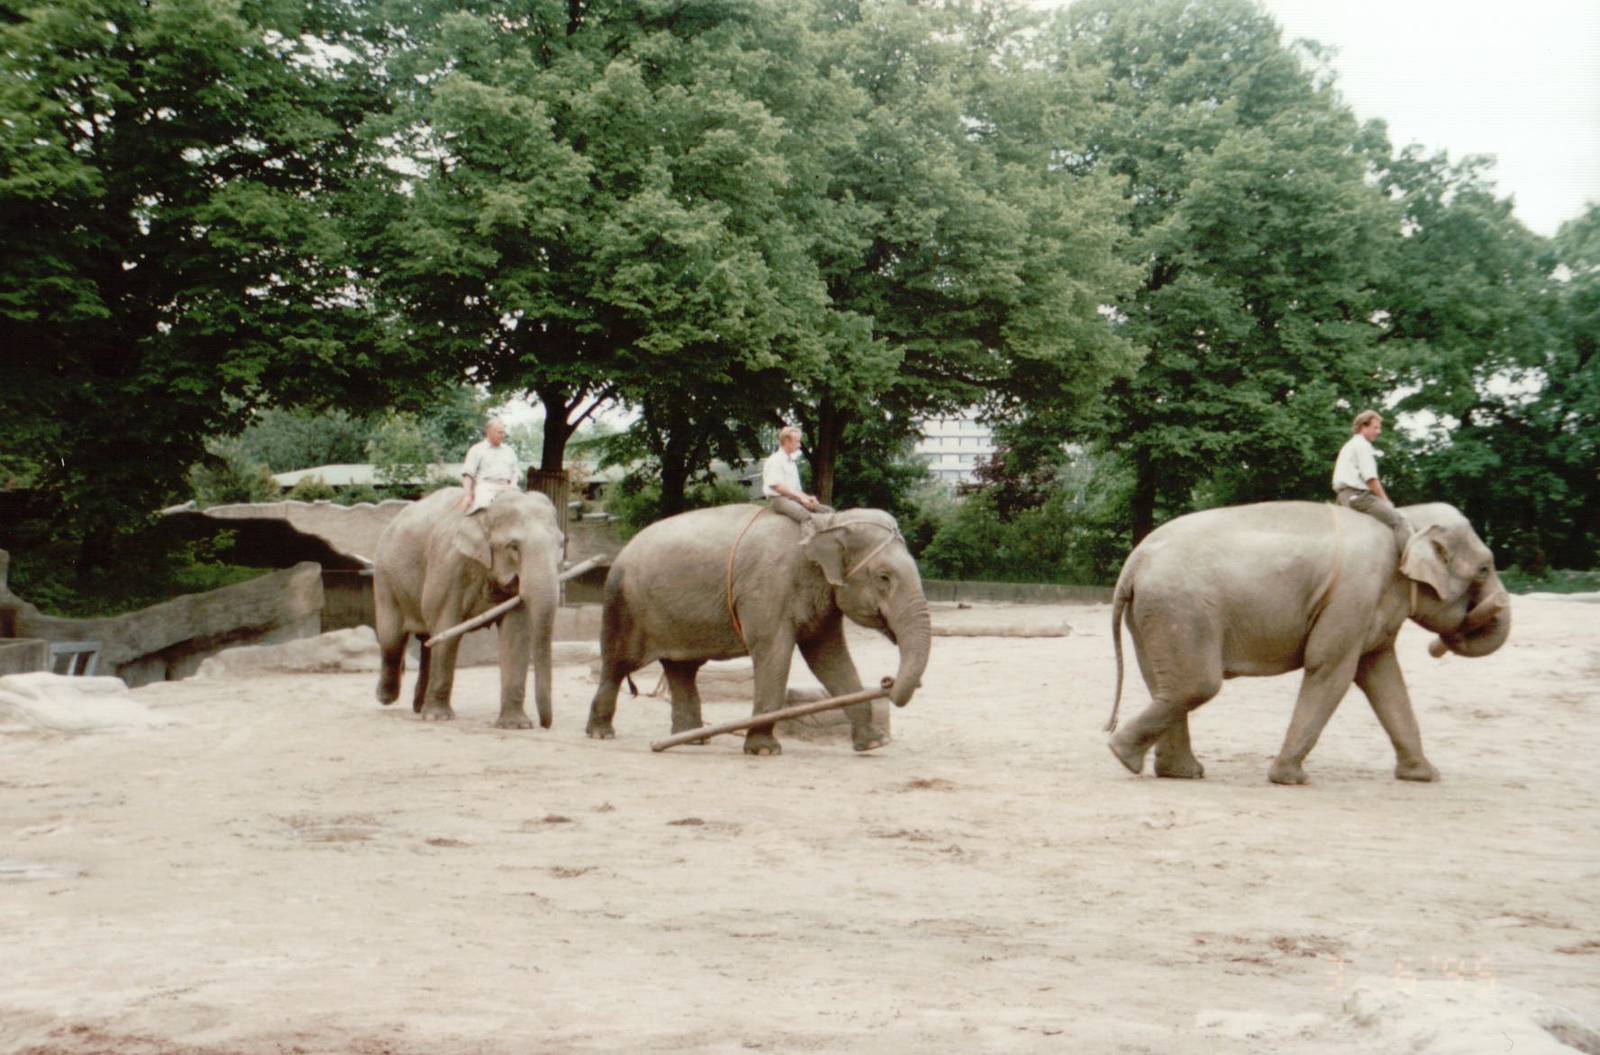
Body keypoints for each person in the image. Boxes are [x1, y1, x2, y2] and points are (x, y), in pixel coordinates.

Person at [1331, 409, 1411, 552]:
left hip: (1343, 497)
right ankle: (1409, 563)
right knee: (1399, 521)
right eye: (1376, 427)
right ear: (1363, 426)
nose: (1379, 431)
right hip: (1358, 497)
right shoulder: (1362, 445)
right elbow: (1371, 480)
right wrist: (1386, 501)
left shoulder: (1350, 445)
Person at [761, 425, 833, 526]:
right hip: (779, 500)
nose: (799, 445)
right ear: (787, 441)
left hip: (792, 498)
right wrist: (800, 498)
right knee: (807, 517)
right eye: (797, 441)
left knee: (828, 511)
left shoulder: (791, 462)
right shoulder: (776, 460)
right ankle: (806, 541)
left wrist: (807, 497)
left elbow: (795, 489)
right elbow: (776, 486)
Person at [460, 418, 521, 514]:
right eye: (500, 433)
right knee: (482, 508)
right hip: (486, 487)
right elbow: (468, 474)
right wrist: (468, 495)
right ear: (489, 432)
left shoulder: (509, 451)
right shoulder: (476, 449)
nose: (503, 436)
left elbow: (515, 472)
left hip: (508, 487)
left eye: (504, 433)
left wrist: (513, 484)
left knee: (523, 509)